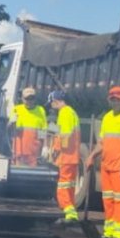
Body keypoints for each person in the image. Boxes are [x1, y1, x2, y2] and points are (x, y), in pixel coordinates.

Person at [83, 85, 120, 238]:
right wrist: (91, 156)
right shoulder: (108, 117)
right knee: (108, 200)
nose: (115, 102)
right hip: (107, 166)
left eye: (118, 99)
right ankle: (109, 232)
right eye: (112, 100)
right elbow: (102, 143)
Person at [48, 90, 81, 226]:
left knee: (62, 187)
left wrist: (55, 150)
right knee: (69, 186)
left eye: (51, 104)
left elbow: (65, 136)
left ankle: (69, 214)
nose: (51, 107)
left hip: (65, 157)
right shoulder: (71, 112)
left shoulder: (65, 113)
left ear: (55, 101)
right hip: (72, 156)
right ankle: (71, 213)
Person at [8, 86, 47, 167]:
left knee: (31, 176)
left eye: (31, 99)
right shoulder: (16, 109)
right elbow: (8, 130)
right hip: (18, 152)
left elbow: (43, 131)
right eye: (27, 99)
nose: (29, 101)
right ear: (22, 99)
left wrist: (45, 146)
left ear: (35, 99)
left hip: (33, 153)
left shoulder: (40, 111)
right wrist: (11, 122)